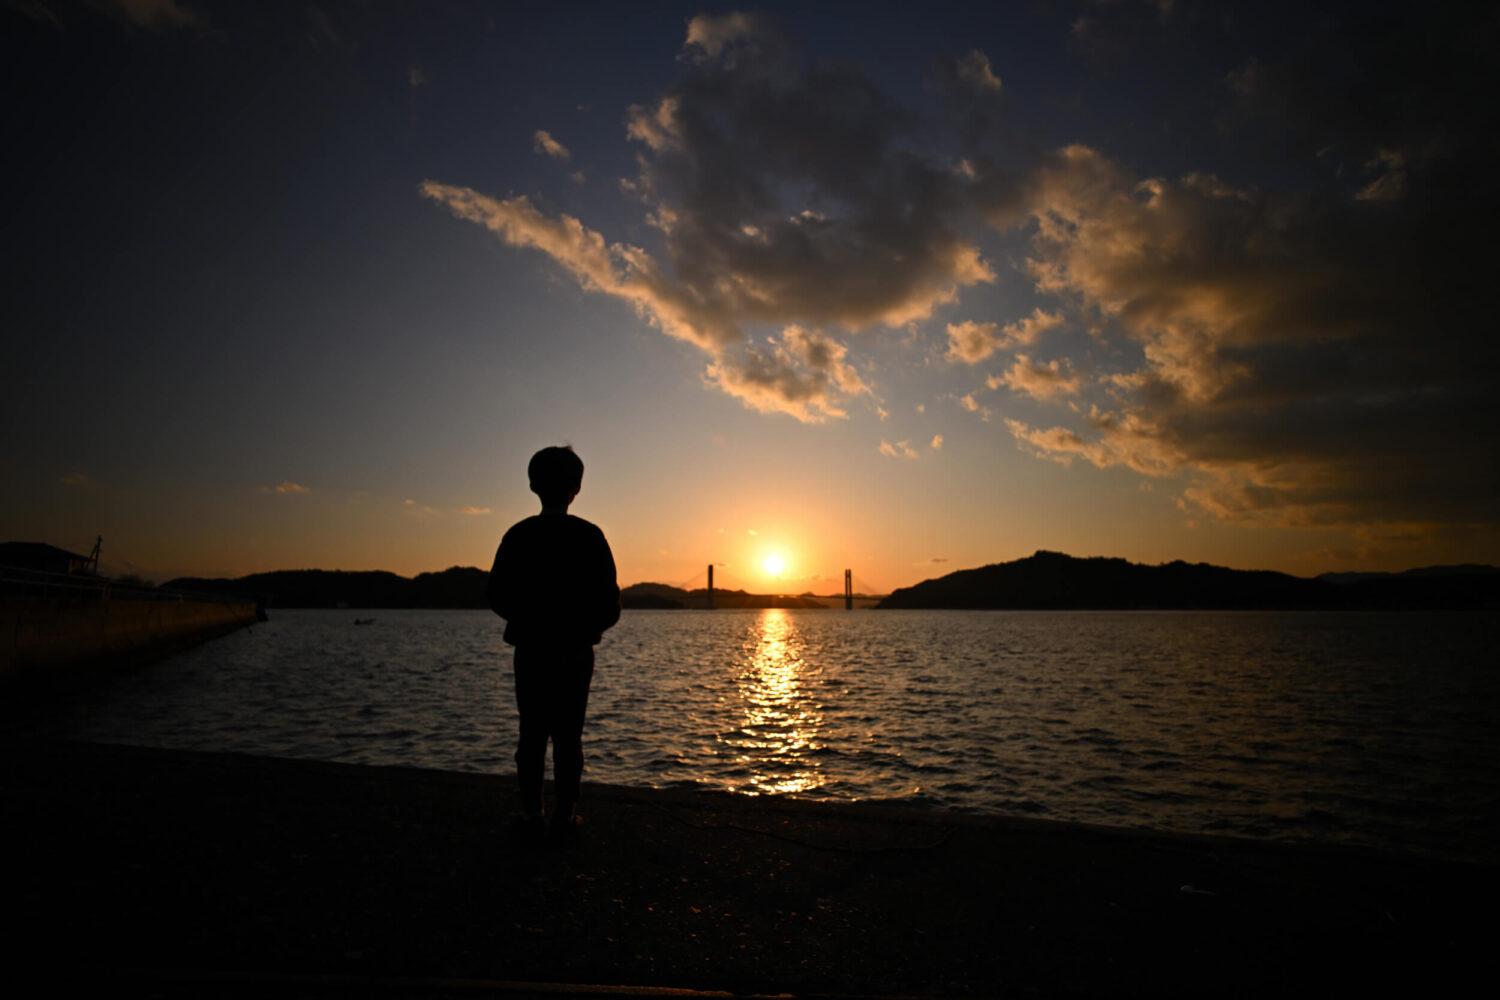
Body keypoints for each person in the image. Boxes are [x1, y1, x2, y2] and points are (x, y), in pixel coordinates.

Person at [488, 445, 620, 844]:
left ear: (532, 484)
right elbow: (609, 602)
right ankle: (565, 814)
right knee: (569, 736)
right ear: (577, 487)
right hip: (576, 652)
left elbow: (496, 594)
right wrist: (589, 628)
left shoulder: (518, 535)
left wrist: (526, 620)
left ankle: (530, 811)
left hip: (530, 649)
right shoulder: (590, 536)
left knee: (531, 732)